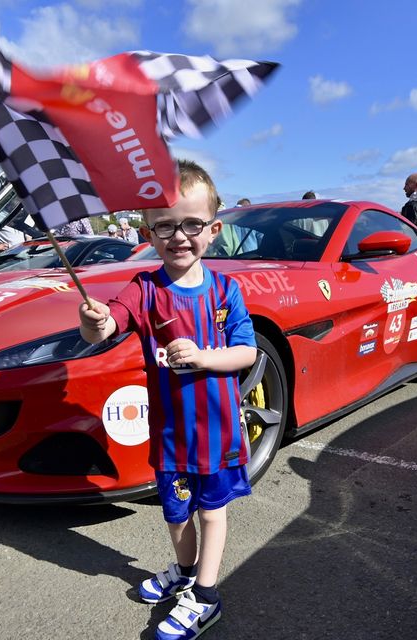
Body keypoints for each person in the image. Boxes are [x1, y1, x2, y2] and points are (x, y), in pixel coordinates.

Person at [78, 160, 256, 639]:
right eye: (165, 226)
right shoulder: (145, 288)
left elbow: (246, 351)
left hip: (216, 434)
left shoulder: (225, 290)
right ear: (148, 232)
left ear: (213, 230)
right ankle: (184, 571)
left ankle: (207, 593)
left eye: (192, 224)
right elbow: (109, 322)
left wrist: (202, 357)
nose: (179, 236)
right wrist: (94, 323)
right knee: (176, 514)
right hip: (171, 436)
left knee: (213, 513)